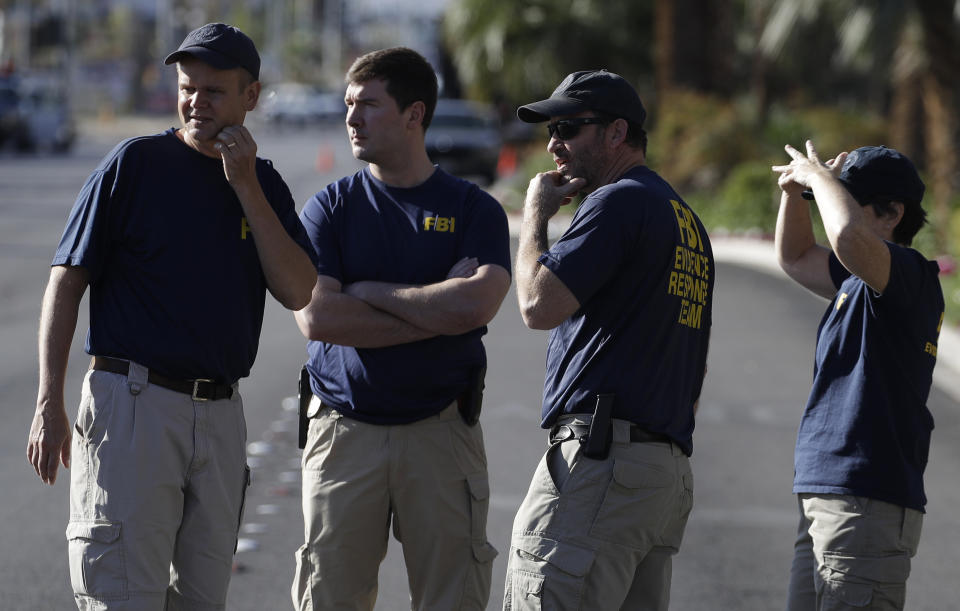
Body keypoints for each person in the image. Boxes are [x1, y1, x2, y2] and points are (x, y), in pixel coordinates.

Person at [25, 23, 317, 610]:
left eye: (214, 91)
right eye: (187, 87)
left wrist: (247, 192)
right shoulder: (136, 164)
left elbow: (299, 288)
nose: (195, 102)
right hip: (133, 404)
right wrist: (47, 399)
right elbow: (66, 280)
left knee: (201, 601)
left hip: (221, 414)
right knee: (123, 594)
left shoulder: (266, 186)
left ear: (250, 97)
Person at [290, 47, 511, 611]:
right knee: (330, 599)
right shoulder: (329, 209)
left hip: (441, 433)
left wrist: (367, 293)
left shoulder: (473, 209)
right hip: (344, 433)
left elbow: (478, 303)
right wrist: (438, 309)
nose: (351, 117)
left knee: (452, 599)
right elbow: (317, 317)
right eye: (348, 104)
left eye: (368, 104)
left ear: (414, 115)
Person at [503, 70, 714, 610]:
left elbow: (536, 304)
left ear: (617, 133)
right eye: (551, 129)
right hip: (660, 474)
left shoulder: (617, 202)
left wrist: (535, 215)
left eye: (570, 127)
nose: (554, 144)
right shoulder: (683, 219)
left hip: (603, 464)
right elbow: (693, 370)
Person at [773, 141, 944, 610]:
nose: (831, 212)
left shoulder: (908, 275)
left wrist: (820, 178)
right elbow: (794, 256)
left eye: (843, 200)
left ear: (891, 214)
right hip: (830, 495)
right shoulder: (857, 280)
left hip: (866, 499)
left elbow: (847, 237)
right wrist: (795, 191)